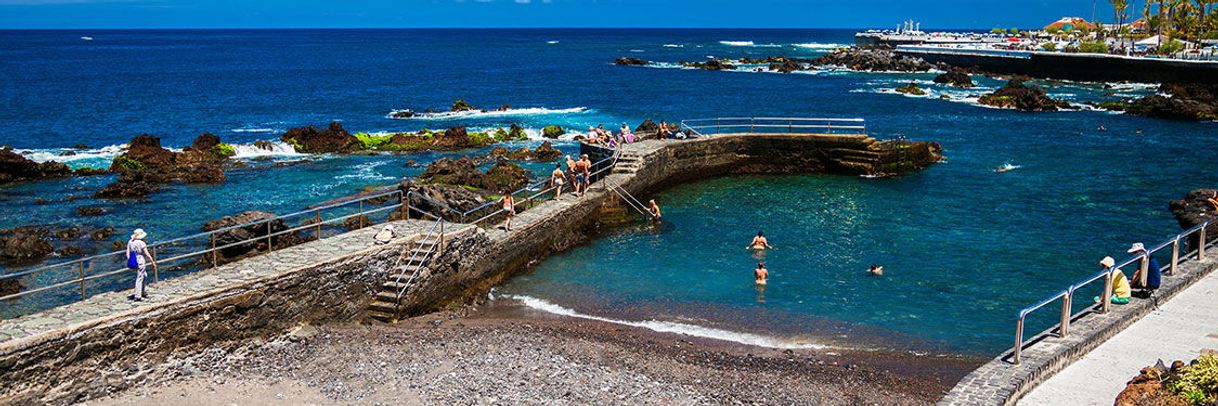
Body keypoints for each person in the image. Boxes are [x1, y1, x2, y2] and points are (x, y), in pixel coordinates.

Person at [126, 228, 157, 302]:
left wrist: (130, 260)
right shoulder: (141, 243)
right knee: (139, 278)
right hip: (140, 260)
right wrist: (152, 262)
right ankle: (138, 296)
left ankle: (142, 291)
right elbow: (147, 254)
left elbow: (127, 253)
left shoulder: (130, 242)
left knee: (144, 275)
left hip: (133, 260)